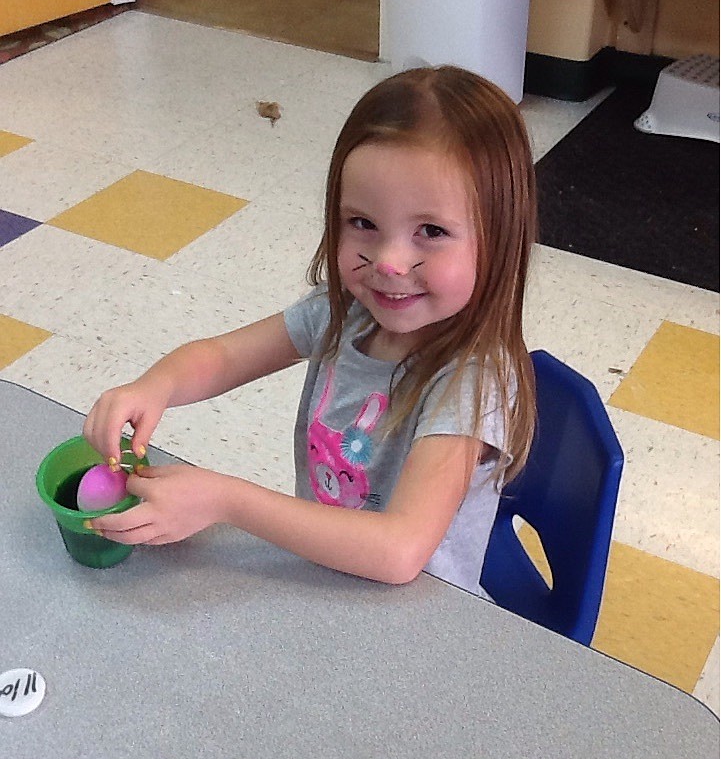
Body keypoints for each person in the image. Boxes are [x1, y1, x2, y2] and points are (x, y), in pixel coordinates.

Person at [83, 65, 537, 595]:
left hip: (414, 622)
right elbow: (224, 357)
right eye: (362, 223)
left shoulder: (472, 381)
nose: (388, 262)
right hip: (322, 578)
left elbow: (398, 550)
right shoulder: (341, 313)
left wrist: (225, 500)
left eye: (431, 232)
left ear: (500, 240)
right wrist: (153, 386)